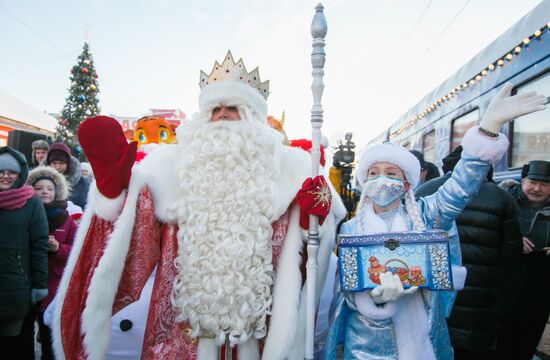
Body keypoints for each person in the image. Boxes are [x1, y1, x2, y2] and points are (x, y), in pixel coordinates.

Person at [51, 51, 344, 360]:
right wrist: (115, 191)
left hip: (260, 326)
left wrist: (311, 218)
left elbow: (303, 253)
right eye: (214, 109)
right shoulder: (169, 167)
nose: (222, 116)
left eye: (234, 108)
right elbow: (136, 242)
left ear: (254, 118)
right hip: (182, 332)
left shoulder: (291, 169)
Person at [324, 83, 546, 360]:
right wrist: (375, 301)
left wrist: (488, 128)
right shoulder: (350, 227)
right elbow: (345, 289)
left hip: (420, 336)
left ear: (406, 184)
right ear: (365, 182)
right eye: (374, 173)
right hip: (365, 343)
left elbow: (461, 187)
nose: (381, 180)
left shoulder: (428, 214)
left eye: (391, 173)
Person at [416, 145, 523, 360]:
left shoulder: (425, 191)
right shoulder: (503, 197)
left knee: (435, 344)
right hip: (481, 295)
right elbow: (512, 251)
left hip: (434, 292)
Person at [497, 160, 550, 360]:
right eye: (533, 182)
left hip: (538, 294)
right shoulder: (505, 202)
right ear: (523, 181)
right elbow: (486, 236)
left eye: (545, 184)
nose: (537, 188)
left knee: (524, 348)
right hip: (503, 289)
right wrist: (512, 241)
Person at [0, 146, 49, 359]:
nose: (5, 176)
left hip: (16, 286)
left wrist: (39, 285)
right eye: (1, 171)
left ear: (20, 174)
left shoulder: (31, 203)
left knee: (14, 346)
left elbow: (39, 246)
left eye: (11, 172)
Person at [27, 166, 76, 360]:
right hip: (28, 283)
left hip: (54, 289)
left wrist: (57, 249)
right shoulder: (24, 214)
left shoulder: (67, 220)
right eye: (39, 188)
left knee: (49, 337)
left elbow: (75, 253)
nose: (45, 191)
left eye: (49, 188)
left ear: (57, 192)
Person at [46, 142, 90, 209]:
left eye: (61, 163)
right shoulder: (41, 181)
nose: (57, 167)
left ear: (68, 164)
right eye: (54, 163)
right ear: (49, 164)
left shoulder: (81, 183)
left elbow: (85, 207)